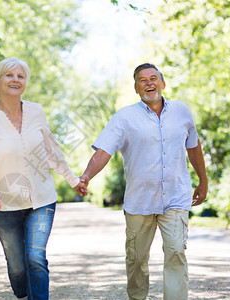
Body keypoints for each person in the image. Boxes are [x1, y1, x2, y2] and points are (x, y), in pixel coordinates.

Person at [79, 63, 208, 300]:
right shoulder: (124, 117)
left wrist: (203, 180)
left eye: (153, 78)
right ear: (137, 88)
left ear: (163, 83)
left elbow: (194, 146)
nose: (149, 83)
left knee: (176, 252)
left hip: (176, 198)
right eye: (142, 80)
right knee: (137, 260)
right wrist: (86, 176)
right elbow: (103, 151)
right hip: (140, 201)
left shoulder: (182, 111)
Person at [0, 57, 86, 300]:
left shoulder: (36, 111)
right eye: (9, 75)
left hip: (41, 198)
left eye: (20, 76)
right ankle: (22, 292)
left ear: (25, 83)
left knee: (35, 258)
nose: (15, 80)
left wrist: (72, 179)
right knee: (17, 267)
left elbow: (51, 151)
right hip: (5, 203)